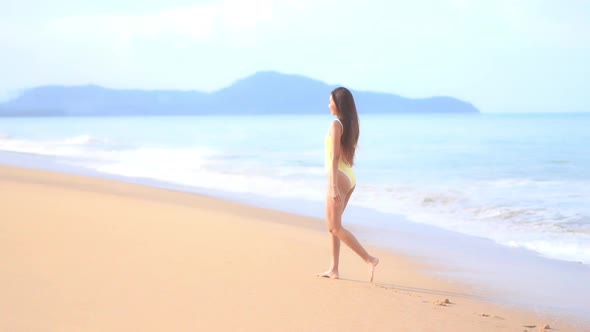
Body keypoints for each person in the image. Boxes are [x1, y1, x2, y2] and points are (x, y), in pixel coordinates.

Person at [318, 87, 379, 283]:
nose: (328, 105)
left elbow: (335, 157)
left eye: (330, 101)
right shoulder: (350, 124)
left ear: (339, 103)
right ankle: (334, 269)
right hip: (349, 177)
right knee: (334, 226)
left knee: (334, 227)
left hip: (339, 178)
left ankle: (369, 259)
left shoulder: (336, 125)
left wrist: (333, 186)